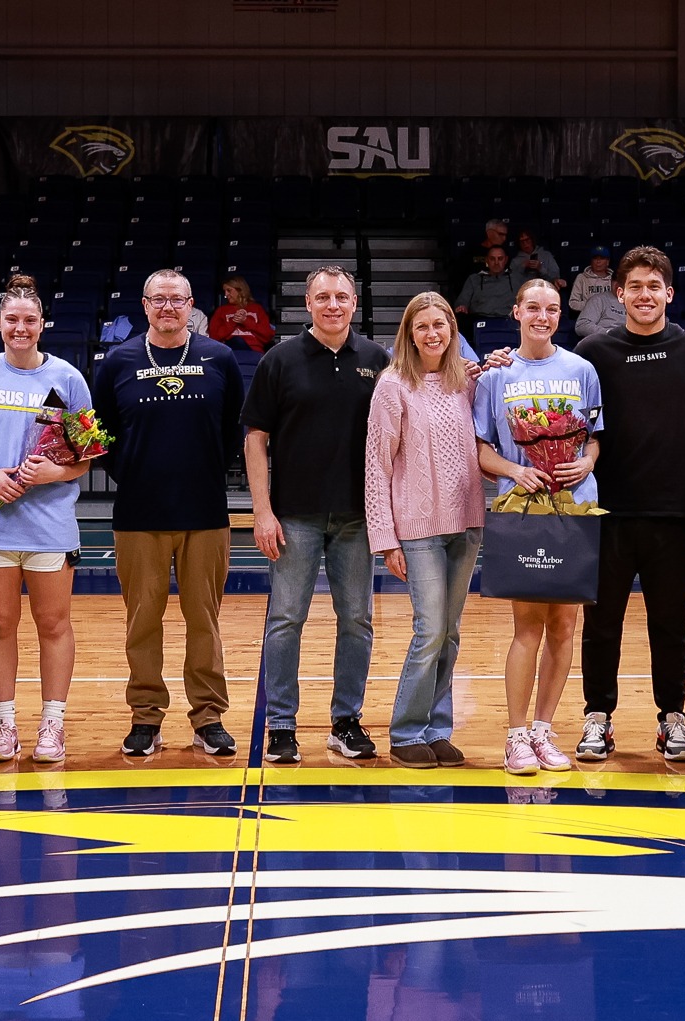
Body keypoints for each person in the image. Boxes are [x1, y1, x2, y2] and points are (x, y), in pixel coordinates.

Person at [93, 270, 245, 758]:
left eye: (176, 299)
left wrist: (200, 473)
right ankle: (145, 718)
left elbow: (230, 433)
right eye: (158, 299)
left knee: (205, 621)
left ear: (191, 305)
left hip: (205, 512)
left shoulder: (219, 357)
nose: (167, 307)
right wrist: (137, 473)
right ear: (144, 304)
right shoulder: (118, 361)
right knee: (142, 622)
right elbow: (103, 436)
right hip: (138, 514)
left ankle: (208, 717)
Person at [571, 246, 685, 765]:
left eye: (655, 286)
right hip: (607, 513)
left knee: (670, 625)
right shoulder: (593, 351)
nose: (645, 295)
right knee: (601, 621)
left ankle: (672, 717)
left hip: (673, 514)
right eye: (636, 286)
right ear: (620, 293)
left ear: (669, 293)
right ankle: (597, 718)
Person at [243, 267, 386, 764]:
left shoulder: (376, 359)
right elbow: (255, 439)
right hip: (294, 516)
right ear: (308, 303)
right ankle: (281, 725)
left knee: (357, 621)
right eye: (323, 297)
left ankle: (346, 721)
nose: (333, 305)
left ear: (354, 303)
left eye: (341, 297)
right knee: (285, 620)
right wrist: (262, 511)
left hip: (358, 517)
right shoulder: (279, 360)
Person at [0, 273, 94, 765]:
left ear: (43, 324)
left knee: (53, 623)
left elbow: (85, 456)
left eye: (30, 320)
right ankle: (4, 726)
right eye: (12, 319)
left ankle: (52, 725)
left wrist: (50, 473)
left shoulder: (68, 378)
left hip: (49, 524)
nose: (21, 328)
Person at [473, 279, 603, 776]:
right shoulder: (496, 374)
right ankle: (515, 735)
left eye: (552, 309)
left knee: (565, 626)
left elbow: (594, 439)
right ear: (517, 312)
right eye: (533, 308)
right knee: (527, 626)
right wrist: (515, 470)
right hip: (522, 510)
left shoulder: (582, 369)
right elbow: (483, 449)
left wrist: (587, 463)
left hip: (574, 509)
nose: (543, 316)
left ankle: (545, 731)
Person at [365, 293, 487, 768]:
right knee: (430, 629)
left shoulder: (467, 383)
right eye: (422, 327)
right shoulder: (392, 385)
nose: (432, 333)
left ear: (453, 329)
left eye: (440, 324)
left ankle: (438, 729)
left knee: (450, 632)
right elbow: (376, 465)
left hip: (467, 522)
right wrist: (385, 536)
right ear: (409, 335)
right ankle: (406, 730)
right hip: (417, 528)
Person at [208, 274, 276, 353]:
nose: (226, 295)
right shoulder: (221, 311)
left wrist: (246, 321)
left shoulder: (257, 309)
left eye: (229, 290)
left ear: (240, 290)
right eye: (225, 291)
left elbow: (267, 336)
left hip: (253, 352)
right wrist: (233, 322)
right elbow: (213, 338)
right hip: (229, 351)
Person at [455, 247, 519, 321]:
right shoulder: (474, 279)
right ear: (487, 260)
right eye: (492, 259)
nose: (496, 262)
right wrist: (461, 306)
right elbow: (462, 301)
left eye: (500, 258)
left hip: (509, 320)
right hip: (479, 320)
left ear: (506, 260)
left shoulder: (516, 279)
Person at [569, 247, 615, 313]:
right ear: (591, 261)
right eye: (595, 258)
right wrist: (592, 306)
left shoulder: (615, 279)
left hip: (611, 315)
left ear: (607, 261)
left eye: (601, 258)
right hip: (588, 315)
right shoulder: (581, 277)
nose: (598, 261)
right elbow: (573, 303)